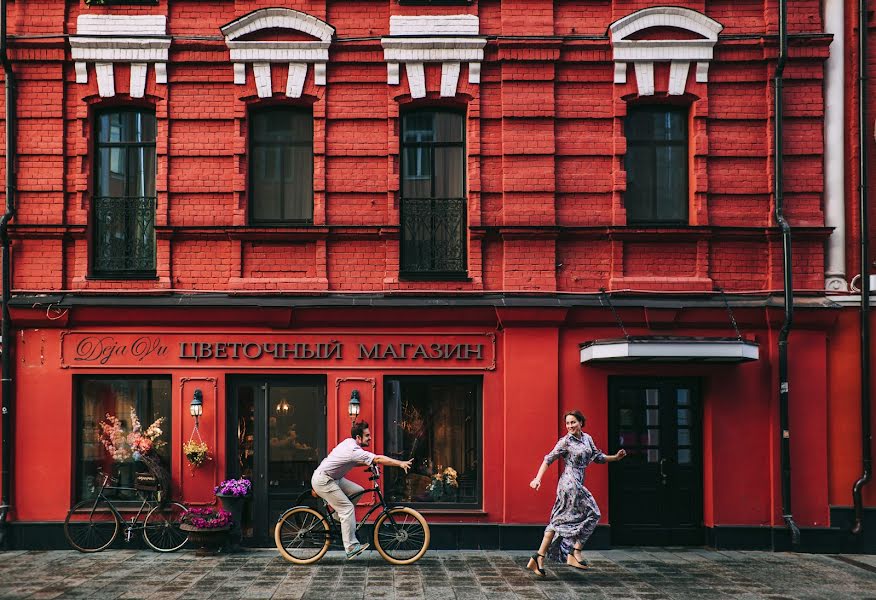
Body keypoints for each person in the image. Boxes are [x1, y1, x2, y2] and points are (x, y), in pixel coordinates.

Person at [526, 410, 626, 576]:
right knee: (593, 513)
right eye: (567, 423)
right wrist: (538, 478)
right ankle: (574, 551)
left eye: (573, 422)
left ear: (581, 422)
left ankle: (538, 557)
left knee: (559, 519)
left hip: (578, 481)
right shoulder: (565, 442)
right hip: (569, 483)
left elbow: (597, 457)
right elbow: (548, 459)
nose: (570, 426)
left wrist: (615, 458)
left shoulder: (587, 438)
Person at [311, 420, 413, 559]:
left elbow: (353, 461)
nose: (370, 438)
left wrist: (370, 464)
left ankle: (337, 517)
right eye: (367, 435)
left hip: (333, 478)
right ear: (358, 438)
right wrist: (400, 463)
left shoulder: (350, 443)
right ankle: (351, 547)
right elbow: (377, 458)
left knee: (358, 491)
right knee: (347, 509)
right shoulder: (353, 450)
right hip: (324, 480)